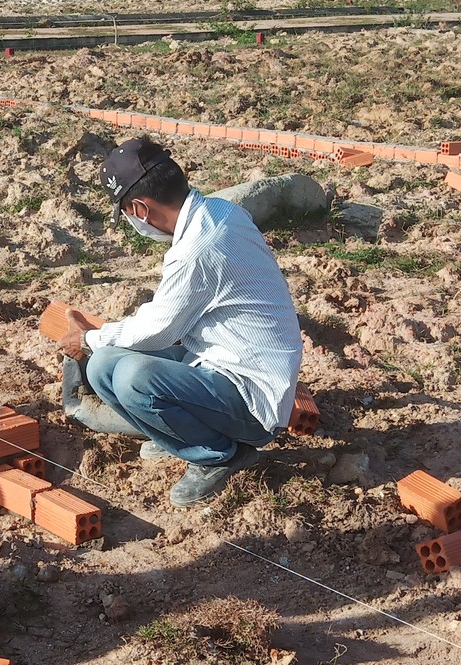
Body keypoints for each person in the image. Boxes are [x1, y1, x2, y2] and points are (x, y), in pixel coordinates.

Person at [55, 136, 304, 506]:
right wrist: (100, 343)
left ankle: (218, 456)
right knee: (104, 366)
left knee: (132, 378)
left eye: (124, 214)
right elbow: (164, 315)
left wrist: (90, 339)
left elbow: (160, 328)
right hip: (216, 361)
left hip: (253, 400)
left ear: (140, 209)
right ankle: (174, 435)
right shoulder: (220, 211)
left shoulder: (198, 248)